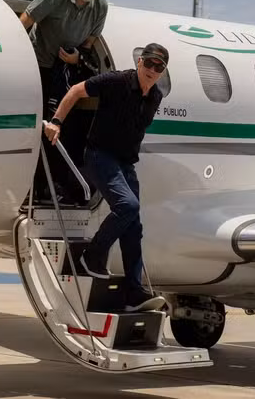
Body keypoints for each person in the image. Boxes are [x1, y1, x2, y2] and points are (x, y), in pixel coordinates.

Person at [44, 44, 169, 312]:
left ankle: (134, 293)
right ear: (139, 62)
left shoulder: (155, 96)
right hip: (100, 156)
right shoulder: (116, 81)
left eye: (159, 67)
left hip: (126, 163)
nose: (152, 69)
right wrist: (56, 121)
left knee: (134, 228)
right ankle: (92, 256)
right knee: (128, 206)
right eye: (149, 63)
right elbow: (76, 90)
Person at [20, 0, 108, 204]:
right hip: (38, 66)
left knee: (60, 128)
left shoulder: (100, 7)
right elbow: (23, 24)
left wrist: (77, 59)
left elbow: (88, 45)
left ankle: (50, 187)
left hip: (65, 71)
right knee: (37, 126)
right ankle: (30, 186)